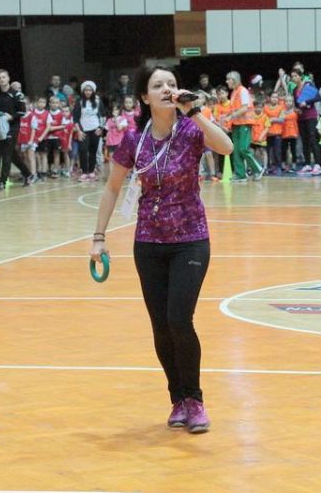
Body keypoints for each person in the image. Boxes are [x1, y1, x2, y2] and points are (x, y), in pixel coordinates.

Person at [89, 65, 233, 433]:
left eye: (171, 83)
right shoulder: (133, 140)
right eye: (158, 85)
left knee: (179, 319)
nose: (167, 88)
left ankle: (195, 400)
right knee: (161, 327)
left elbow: (226, 147)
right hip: (149, 243)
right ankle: (177, 399)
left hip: (190, 240)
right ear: (144, 97)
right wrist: (99, 236)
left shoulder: (191, 130)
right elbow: (112, 188)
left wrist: (195, 111)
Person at [0, 68, 32, 190]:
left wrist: (11, 117)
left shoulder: (16, 94)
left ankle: (2, 182)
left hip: (13, 127)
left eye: (3, 77)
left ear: (8, 78)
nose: (1, 80)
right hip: (1, 127)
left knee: (6, 154)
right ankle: (28, 174)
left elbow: (22, 111)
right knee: (12, 155)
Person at [226, 71, 264, 181]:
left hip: (245, 123)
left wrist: (231, 116)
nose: (227, 81)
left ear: (234, 80)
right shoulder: (234, 93)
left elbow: (244, 108)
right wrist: (227, 117)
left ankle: (258, 169)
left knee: (243, 148)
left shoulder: (243, 91)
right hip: (236, 124)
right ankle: (240, 174)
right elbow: (234, 109)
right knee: (236, 150)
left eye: (228, 79)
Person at [291, 68, 321, 175]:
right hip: (301, 118)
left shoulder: (308, 85)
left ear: (301, 76)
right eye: (292, 76)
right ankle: (307, 164)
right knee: (304, 141)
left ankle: (318, 164)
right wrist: (297, 109)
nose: (294, 78)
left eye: (295, 76)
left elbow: (318, 97)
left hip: (311, 116)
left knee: (313, 139)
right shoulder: (294, 89)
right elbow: (297, 104)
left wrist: (307, 102)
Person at [73, 80, 105, 181]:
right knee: (83, 150)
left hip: (95, 129)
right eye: (86, 90)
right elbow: (75, 118)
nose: (88, 92)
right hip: (83, 130)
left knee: (93, 151)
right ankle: (84, 171)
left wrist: (100, 128)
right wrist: (79, 131)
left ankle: (91, 171)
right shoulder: (79, 101)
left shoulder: (98, 100)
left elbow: (103, 115)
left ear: (93, 91)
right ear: (83, 91)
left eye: (90, 90)